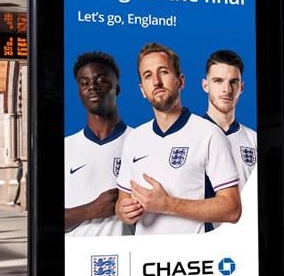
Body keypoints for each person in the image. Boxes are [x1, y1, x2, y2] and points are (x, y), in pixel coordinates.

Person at [115, 43, 241, 234]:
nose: (156, 81)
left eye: (163, 72)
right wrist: (123, 211)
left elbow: (232, 209)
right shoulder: (134, 139)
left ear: (180, 81)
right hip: (145, 259)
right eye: (148, 76)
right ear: (142, 89)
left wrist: (167, 204)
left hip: (192, 259)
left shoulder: (208, 133)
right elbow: (121, 202)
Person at [65, 52, 133, 236]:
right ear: (79, 91)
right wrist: (91, 210)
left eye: (102, 80)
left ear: (117, 89)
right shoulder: (65, 148)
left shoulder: (141, 142)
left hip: (127, 258)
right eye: (84, 83)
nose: (92, 87)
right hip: (76, 259)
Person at [202, 49, 257, 188]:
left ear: (241, 87)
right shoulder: (190, 135)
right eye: (218, 81)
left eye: (233, 82)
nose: (227, 89)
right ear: (205, 85)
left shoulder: (253, 140)